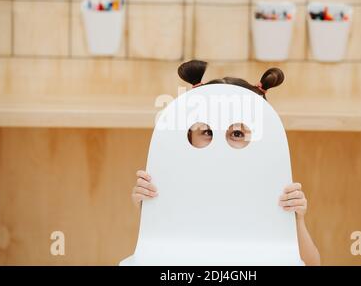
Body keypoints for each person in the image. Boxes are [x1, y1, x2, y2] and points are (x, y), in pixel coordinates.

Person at [132, 60, 321, 266]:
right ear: (188, 134)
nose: (220, 143)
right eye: (207, 132)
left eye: (237, 133)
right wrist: (149, 208)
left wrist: (296, 219)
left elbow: (311, 264)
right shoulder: (175, 184)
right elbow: (153, 252)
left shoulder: (274, 190)